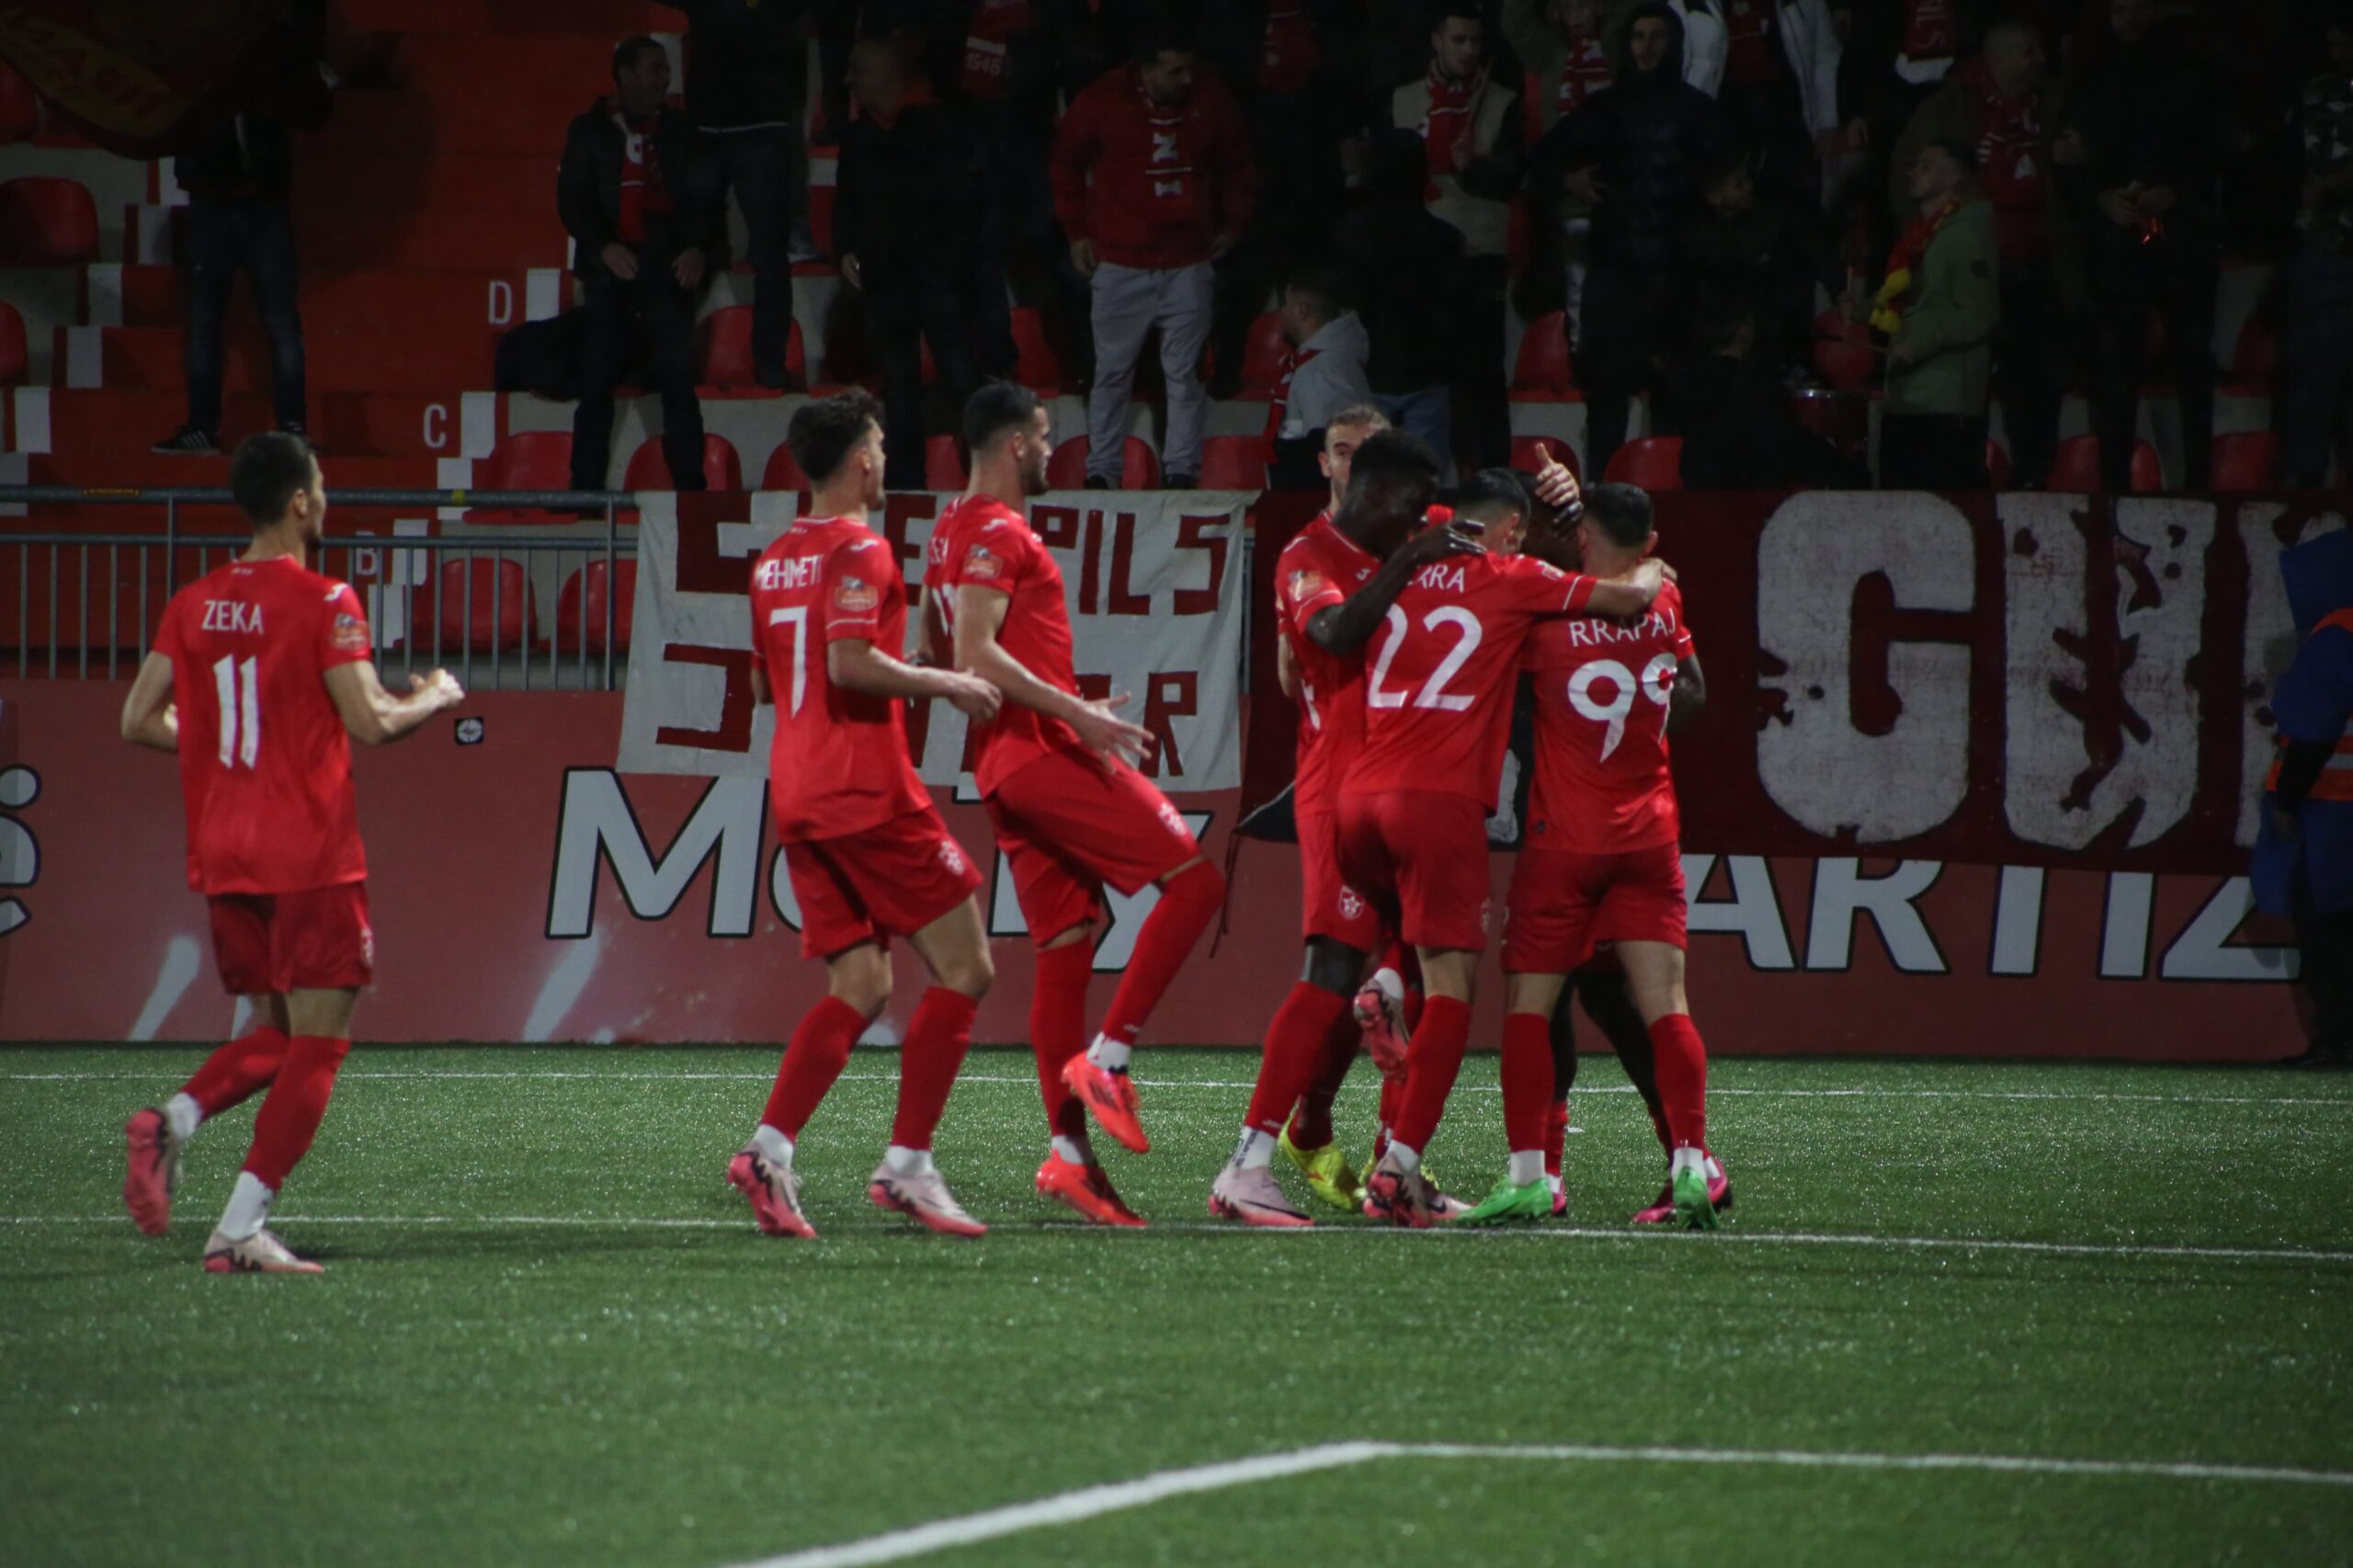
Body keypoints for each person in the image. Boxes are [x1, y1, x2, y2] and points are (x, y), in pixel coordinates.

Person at [118, 432, 466, 1272]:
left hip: (225, 851)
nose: (326, 499)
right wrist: (433, 696)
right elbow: (371, 721)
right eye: (323, 485)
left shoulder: (193, 602)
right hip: (308, 851)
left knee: (276, 1032)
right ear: (301, 502)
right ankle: (240, 1227)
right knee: (320, 1043)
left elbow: (137, 720)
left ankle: (171, 1122)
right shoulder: (326, 601)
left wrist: (224, 746)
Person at [1331, 437, 1667, 1227]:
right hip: (1441, 804)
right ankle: (1398, 1171)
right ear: (1515, 530)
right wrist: (1656, 568)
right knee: (1457, 991)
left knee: (1414, 950)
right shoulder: (1513, 578)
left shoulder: (1400, 565)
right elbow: (1628, 601)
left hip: (1357, 801)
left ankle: (1387, 978)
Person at [923, 382, 1230, 1221]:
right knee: (1196, 883)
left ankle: (1070, 1158)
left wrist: (1009, 699)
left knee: (1065, 947)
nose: (1055, 449)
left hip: (1002, 766)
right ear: (1016, 444)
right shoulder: (995, 530)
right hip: (1042, 753)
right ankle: (1109, 1060)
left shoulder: (948, 528)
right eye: (1046, 434)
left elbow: (936, 645)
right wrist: (1073, 713)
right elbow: (974, 651)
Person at [724, 392, 1003, 1240]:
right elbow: (847, 665)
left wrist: (892, 665)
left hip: (798, 793)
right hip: (864, 791)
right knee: (967, 967)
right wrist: (944, 680)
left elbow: (769, 684)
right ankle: (908, 1166)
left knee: (863, 983)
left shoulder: (772, 561)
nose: (885, 458)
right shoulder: (861, 549)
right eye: (880, 444)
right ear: (862, 461)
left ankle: (768, 1151)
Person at [1207, 415, 1492, 1226]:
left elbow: (1498, 533)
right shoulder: (1308, 556)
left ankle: (1395, 1167)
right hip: (1340, 786)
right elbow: (1330, 634)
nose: (1425, 517)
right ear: (1374, 489)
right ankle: (1246, 1165)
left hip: (1406, 782)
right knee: (1330, 970)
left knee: (1429, 967)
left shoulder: (1412, 530)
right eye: (1415, 505)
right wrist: (1410, 559)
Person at [1464, 482, 1721, 1227]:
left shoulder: (1546, 620)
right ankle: (1692, 1166)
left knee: (1529, 1006)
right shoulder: (1666, 599)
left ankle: (1531, 1175)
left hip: (1565, 843)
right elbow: (1691, 688)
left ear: (1581, 539)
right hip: (1648, 836)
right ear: (1650, 545)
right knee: (1666, 1007)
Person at [1051, 17, 1256, 489]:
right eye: (1174, 72)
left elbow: (1239, 162)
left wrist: (1234, 223)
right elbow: (1064, 163)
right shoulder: (1103, 99)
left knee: (1185, 374)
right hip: (1121, 263)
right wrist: (1077, 232)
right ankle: (1102, 471)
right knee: (1111, 372)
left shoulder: (1211, 95)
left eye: (1189, 69)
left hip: (1188, 262)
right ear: (1144, 68)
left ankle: (1182, 471)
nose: (1186, 80)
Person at [1536, 4, 1725, 476]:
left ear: (1673, 44)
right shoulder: (1604, 109)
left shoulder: (1698, 112)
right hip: (1615, 278)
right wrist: (1569, 181)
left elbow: (1730, 175)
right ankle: (1600, 497)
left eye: (1657, 36)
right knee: (1606, 406)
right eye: (1639, 36)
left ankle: (1675, 498)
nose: (1647, 47)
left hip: (1677, 277)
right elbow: (1543, 158)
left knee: (1678, 407)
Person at [2052, 0, 2226, 494]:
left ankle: (2198, 483)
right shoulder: (2092, 76)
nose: (2128, 20)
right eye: (2119, 10)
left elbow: (2213, 148)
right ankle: (2114, 485)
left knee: (2191, 361)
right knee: (2115, 365)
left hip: (2179, 238)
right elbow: (2066, 160)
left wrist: (2173, 191)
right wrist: (2102, 197)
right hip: (2119, 240)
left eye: (2137, 9)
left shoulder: (2189, 71)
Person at [1889, 20, 2061, 487]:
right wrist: (1928, 243)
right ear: (1999, 58)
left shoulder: (2051, 104)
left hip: (2038, 264)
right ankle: (1964, 484)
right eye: (2029, 51)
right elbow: (1906, 177)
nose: (2040, 61)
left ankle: (2033, 483)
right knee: (1966, 384)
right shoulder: (1949, 108)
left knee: (2036, 385)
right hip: (1974, 270)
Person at [149, 54, 334, 456]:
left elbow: (313, 111)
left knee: (281, 323)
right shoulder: (192, 55)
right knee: (205, 323)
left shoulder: (271, 51)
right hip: (211, 203)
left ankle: (292, 427)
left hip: (263, 204)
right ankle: (202, 427)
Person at [558, 38, 719, 494]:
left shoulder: (683, 131)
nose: (664, 79)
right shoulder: (588, 131)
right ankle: (584, 494)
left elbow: (708, 199)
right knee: (595, 387)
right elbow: (572, 200)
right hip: (609, 275)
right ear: (624, 76)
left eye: (666, 69)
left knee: (678, 386)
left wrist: (697, 248)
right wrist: (604, 246)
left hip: (667, 274)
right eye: (654, 69)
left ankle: (690, 495)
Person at [835, 35, 988, 489]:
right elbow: (846, 203)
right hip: (886, 283)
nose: (847, 80)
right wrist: (845, 248)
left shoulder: (940, 127)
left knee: (963, 379)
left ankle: (993, 479)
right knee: (897, 389)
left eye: (857, 70)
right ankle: (906, 488)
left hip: (940, 279)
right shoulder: (858, 137)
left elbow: (967, 205)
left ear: (885, 74)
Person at [1392, 6, 1522, 476]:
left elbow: (1516, 179)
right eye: (1458, 40)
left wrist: (1475, 168)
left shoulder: (1503, 102)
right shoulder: (1404, 100)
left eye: (1475, 42)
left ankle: (1491, 479)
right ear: (1437, 40)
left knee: (1481, 379)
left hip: (1478, 258)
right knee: (1426, 378)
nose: (1468, 51)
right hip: (1418, 259)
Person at [661, 0, 806, 390]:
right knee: (684, 248)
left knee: (769, 256)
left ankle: (769, 362)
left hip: (763, 127)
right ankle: (669, 359)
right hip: (708, 128)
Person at [2251, 529, 2353, 1069]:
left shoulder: (2338, 633)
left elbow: (2313, 730)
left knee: (2327, 932)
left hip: (2333, 814)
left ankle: (2336, 1039)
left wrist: (2288, 801)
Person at [1336, 129, 1470, 472]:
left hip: (1371, 376)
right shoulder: (1446, 240)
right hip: (1426, 377)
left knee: (1368, 486)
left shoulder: (1350, 237)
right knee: (1424, 486)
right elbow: (1457, 317)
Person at [1874, 139, 1996, 489]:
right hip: (1907, 399)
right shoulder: (1918, 236)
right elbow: (1915, 300)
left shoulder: (1966, 234)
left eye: (1926, 165)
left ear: (1954, 177)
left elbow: (1979, 315)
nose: (1913, 172)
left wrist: (1923, 341)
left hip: (1945, 404)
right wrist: (1865, 308)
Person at [1658, 296, 1865, 485]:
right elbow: (1787, 443)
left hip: (1694, 500)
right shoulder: (1753, 387)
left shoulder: (1682, 387)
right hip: (1747, 502)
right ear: (1743, 330)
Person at [2283, 16, 2353, 491]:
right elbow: (2306, 168)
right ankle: (2305, 489)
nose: (2339, 50)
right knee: (2314, 376)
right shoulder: (2317, 93)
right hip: (2323, 251)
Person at [1266, 267, 1374, 488]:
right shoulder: (1328, 361)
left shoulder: (1323, 369)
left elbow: (1332, 451)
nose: (1281, 314)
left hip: (1316, 498)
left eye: (1285, 305)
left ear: (1302, 310)